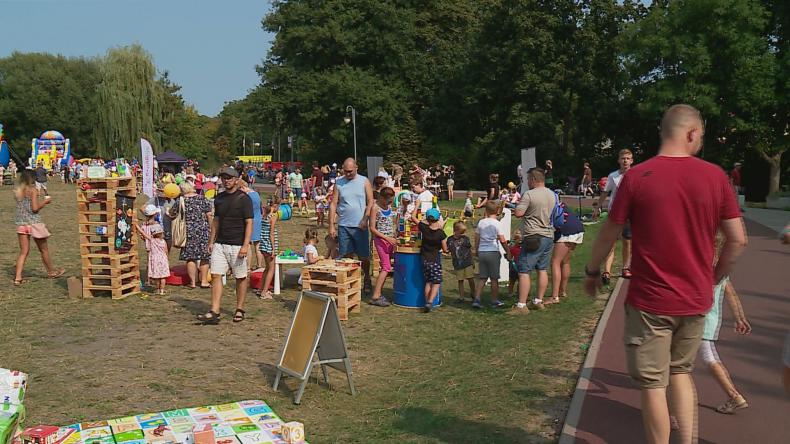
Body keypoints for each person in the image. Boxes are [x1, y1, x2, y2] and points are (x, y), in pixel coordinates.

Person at [583, 104, 746, 444]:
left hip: (650, 301)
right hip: (695, 298)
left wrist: (592, 271)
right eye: (700, 134)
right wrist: (715, 276)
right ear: (691, 133)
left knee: (654, 385)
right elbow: (738, 239)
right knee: (682, 373)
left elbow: (608, 233)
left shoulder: (636, 177)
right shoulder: (716, 176)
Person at [199, 167, 254, 325]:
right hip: (220, 243)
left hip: (237, 244)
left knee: (240, 277)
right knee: (216, 275)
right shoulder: (219, 198)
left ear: (236, 179)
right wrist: (211, 241)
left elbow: (249, 223)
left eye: (229, 178)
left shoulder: (244, 199)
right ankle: (215, 310)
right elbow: (216, 220)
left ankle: (240, 308)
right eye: (223, 178)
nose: (226, 180)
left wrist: (245, 245)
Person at [512, 168, 556, 313]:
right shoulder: (552, 194)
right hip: (548, 235)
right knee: (542, 269)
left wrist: (516, 206)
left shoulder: (529, 195)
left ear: (532, 179)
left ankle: (521, 305)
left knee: (524, 269)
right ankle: (538, 300)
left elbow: (519, 213)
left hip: (533, 235)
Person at [329, 158, 375, 295]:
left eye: (351, 171)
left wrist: (365, 218)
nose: (348, 173)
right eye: (346, 171)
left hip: (360, 225)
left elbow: (371, 201)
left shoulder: (364, 181)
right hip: (344, 225)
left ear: (356, 168)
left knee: (364, 256)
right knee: (346, 256)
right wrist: (331, 225)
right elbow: (333, 204)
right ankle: (349, 282)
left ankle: (367, 278)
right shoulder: (339, 183)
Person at [13, 170, 64, 285]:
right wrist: (45, 202)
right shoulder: (33, 190)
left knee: (23, 252)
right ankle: (51, 272)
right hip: (34, 223)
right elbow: (35, 208)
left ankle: (18, 277)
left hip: (21, 224)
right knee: (43, 250)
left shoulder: (17, 191)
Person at [597, 148, 634, 282]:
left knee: (627, 242)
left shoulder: (636, 174)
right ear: (619, 160)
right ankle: (607, 271)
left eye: (628, 158)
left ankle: (625, 267)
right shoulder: (613, 176)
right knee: (611, 243)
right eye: (623, 158)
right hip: (615, 213)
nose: (625, 161)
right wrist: (598, 207)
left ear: (631, 161)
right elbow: (605, 192)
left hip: (629, 214)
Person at [170, 181, 212, 289]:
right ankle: (203, 281)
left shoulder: (180, 200)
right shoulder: (202, 198)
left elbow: (172, 213)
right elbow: (209, 215)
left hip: (187, 231)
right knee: (204, 256)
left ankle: (192, 282)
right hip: (202, 229)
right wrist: (211, 227)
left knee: (190, 258)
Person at [411, 208, 448, 313]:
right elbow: (445, 249)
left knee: (428, 282)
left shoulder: (424, 228)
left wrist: (417, 205)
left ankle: (427, 302)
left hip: (424, 260)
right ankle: (430, 302)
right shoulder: (441, 233)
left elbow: (413, 218)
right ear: (438, 219)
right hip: (434, 260)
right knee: (436, 282)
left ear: (427, 218)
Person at [473, 201, 509, 309]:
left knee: (482, 278)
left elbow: (477, 237)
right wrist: (508, 251)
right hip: (493, 252)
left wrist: (477, 249)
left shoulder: (481, 222)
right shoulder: (497, 224)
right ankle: (494, 300)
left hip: (482, 252)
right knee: (494, 278)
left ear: (486, 210)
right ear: (497, 211)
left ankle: (477, 299)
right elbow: (502, 240)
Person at [548, 202, 584, 304]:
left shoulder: (547, 205)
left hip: (566, 230)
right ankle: (562, 291)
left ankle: (554, 297)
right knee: (565, 261)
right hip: (577, 228)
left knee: (555, 262)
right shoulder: (560, 204)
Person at [368, 186, 397, 307]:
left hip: (391, 240)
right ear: (381, 197)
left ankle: (379, 293)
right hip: (381, 241)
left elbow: (391, 223)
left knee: (388, 267)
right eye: (388, 200)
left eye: (391, 201)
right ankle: (375, 296)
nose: (389, 203)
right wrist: (387, 238)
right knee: (386, 267)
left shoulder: (389, 207)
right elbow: (372, 228)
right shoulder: (375, 208)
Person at [134, 222, 170, 295]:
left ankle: (157, 289)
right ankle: (162, 290)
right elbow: (166, 251)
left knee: (157, 277)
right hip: (163, 259)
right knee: (163, 276)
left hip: (155, 260)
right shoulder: (164, 242)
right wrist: (167, 259)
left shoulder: (152, 240)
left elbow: (143, 233)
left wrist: (137, 226)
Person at [447, 220, 475, 302]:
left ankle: (473, 293)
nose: (463, 234)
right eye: (461, 232)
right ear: (455, 230)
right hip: (457, 263)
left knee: (470, 279)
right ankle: (461, 296)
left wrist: (472, 261)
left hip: (468, 262)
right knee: (460, 280)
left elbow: (469, 250)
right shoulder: (450, 240)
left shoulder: (466, 239)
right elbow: (448, 249)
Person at [239, 177, 264, 270]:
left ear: (242, 187)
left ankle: (248, 267)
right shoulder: (256, 194)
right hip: (258, 219)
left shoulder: (247, 196)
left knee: (248, 244)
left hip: (251, 221)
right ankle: (259, 265)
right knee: (258, 245)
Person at [258, 197, 280, 299]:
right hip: (269, 245)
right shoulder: (273, 216)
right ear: (275, 205)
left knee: (267, 268)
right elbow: (271, 233)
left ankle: (261, 289)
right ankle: (264, 292)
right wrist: (273, 249)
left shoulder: (264, 215)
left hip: (263, 244)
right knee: (271, 269)